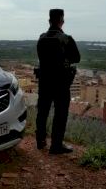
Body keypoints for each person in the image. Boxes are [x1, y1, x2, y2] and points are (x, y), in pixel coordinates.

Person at [35, 9, 80, 154]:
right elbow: (76, 58)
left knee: (42, 112)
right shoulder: (66, 39)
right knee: (60, 114)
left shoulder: (42, 38)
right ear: (62, 21)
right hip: (61, 83)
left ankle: (40, 141)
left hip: (44, 81)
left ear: (49, 21)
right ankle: (56, 145)